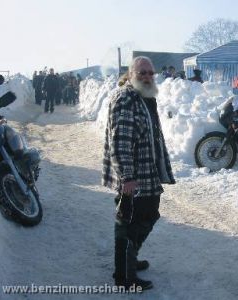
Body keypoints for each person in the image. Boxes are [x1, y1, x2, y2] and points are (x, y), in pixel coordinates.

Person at [102, 56, 175, 291]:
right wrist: (127, 177)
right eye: (142, 72)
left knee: (147, 215)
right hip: (134, 176)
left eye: (150, 73)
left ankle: (128, 262)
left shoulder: (143, 97)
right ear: (131, 74)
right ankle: (124, 276)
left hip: (147, 172)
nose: (147, 76)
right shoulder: (126, 99)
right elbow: (121, 143)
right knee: (130, 222)